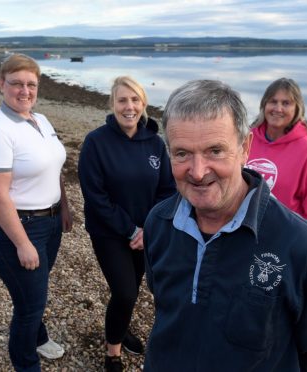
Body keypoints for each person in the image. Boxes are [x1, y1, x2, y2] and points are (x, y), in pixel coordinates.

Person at [143, 79, 307, 371]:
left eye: (215, 151)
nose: (198, 173)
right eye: (182, 153)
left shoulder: (305, 249)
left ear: (245, 147)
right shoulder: (159, 223)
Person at [0, 53, 73, 372]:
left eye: (31, 84)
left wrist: (64, 207)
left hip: (51, 221)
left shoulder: (40, 120)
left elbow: (53, 165)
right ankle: (26, 364)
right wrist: (22, 243)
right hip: (16, 229)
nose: (24, 90)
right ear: (1, 83)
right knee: (30, 306)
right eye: (16, 83)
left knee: (35, 293)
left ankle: (38, 338)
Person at [78, 76, 176, 372]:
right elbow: (95, 196)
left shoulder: (155, 143)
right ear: (112, 104)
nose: (129, 106)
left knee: (131, 287)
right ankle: (112, 353)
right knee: (125, 292)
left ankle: (121, 327)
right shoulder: (96, 142)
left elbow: (167, 190)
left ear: (143, 104)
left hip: (146, 234)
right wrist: (131, 229)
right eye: (122, 100)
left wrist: (149, 229)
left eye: (135, 100)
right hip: (109, 232)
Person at [246, 77, 307, 236]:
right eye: (273, 101)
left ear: (297, 109)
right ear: (264, 105)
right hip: (242, 230)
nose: (278, 108)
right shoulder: (247, 138)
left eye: (286, 103)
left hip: (282, 236)